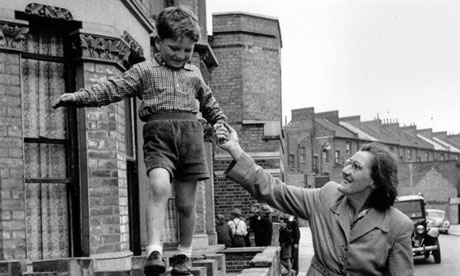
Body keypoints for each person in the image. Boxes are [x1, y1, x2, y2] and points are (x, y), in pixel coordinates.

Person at [53, 6, 227, 276]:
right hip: (159, 137)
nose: (180, 56)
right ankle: (154, 251)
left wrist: (220, 124)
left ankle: (184, 255)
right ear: (158, 42)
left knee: (185, 204)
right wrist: (77, 97)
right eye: (174, 48)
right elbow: (113, 88)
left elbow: (211, 105)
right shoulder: (144, 71)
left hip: (191, 138)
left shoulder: (194, 74)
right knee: (158, 186)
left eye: (187, 51)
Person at [215, 123, 414, 276]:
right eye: (348, 163)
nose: (345, 171)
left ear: (375, 182)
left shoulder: (399, 226)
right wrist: (236, 151)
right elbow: (276, 191)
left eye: (356, 167)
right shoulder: (326, 196)